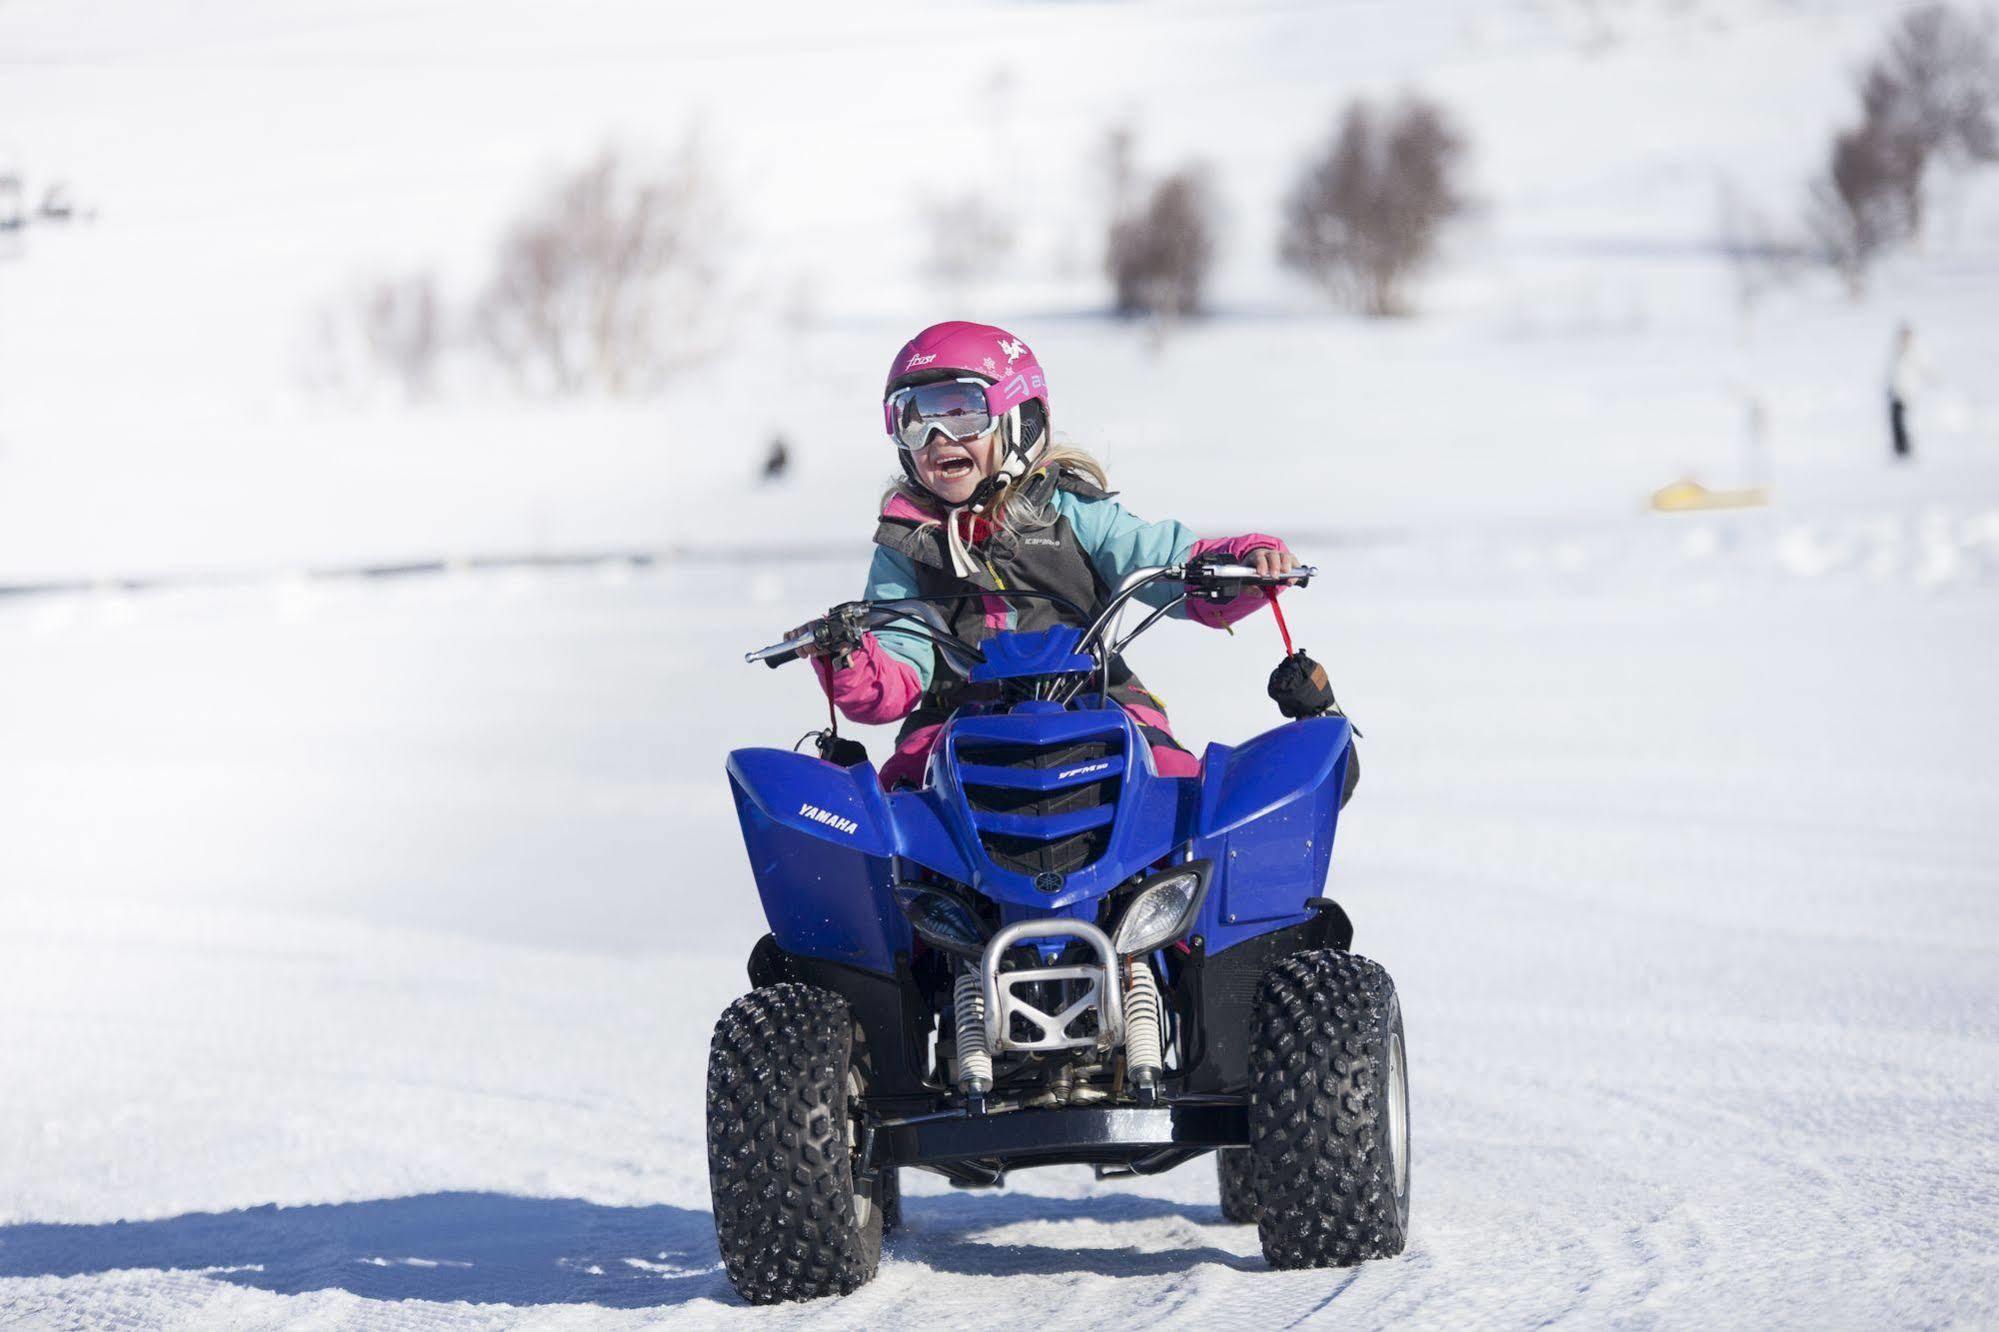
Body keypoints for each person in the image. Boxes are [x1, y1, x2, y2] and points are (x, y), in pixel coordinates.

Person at [796, 320, 1295, 790]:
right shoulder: (907, 546)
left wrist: (1242, 566)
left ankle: (1197, 873)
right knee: (903, 793)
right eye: (914, 420)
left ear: (1021, 419)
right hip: (957, 715)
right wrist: (848, 656)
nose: (936, 439)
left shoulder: (1074, 513)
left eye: (961, 413)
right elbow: (897, 673)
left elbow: (1165, 564)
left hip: (1095, 697)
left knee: (1171, 777)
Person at [1886, 322, 1925, 462]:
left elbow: (1925, 368)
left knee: (1904, 423)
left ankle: (1906, 450)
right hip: (1895, 393)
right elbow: (1893, 373)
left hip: (1907, 393)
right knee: (1895, 423)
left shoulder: (1916, 352)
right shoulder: (1897, 351)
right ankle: (1898, 450)